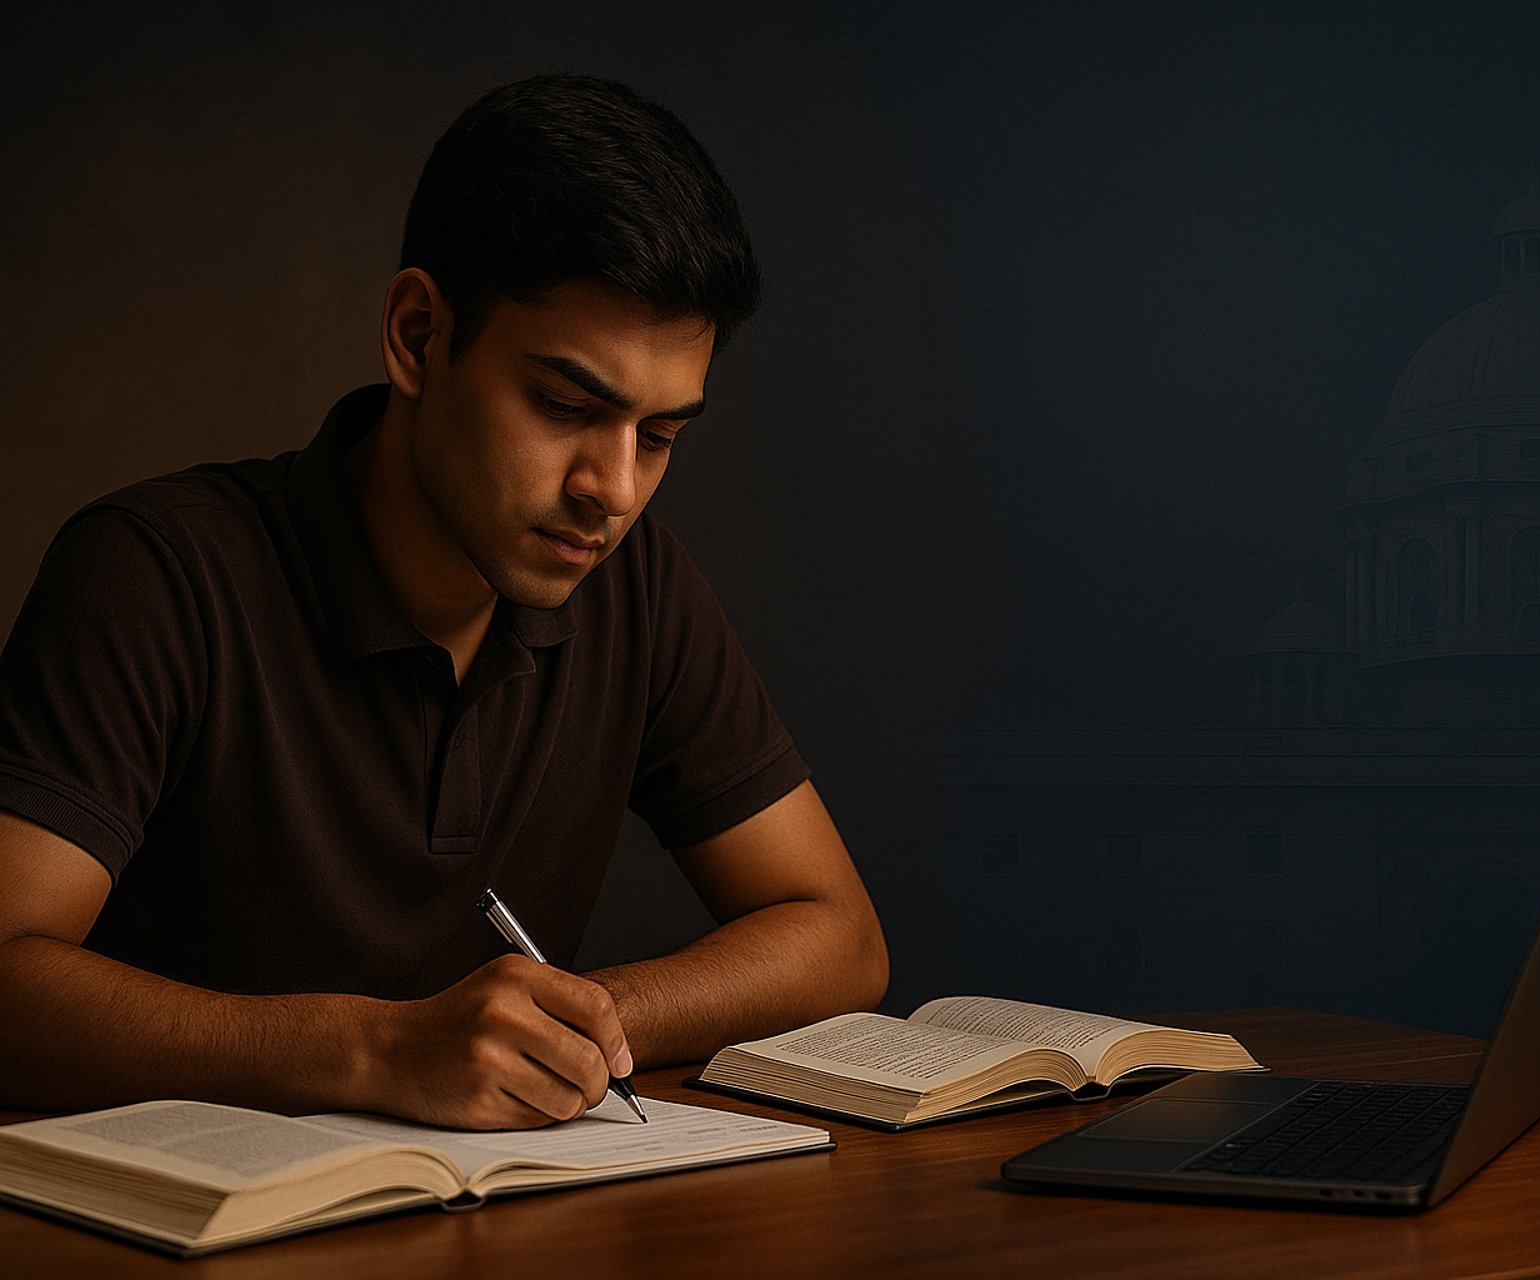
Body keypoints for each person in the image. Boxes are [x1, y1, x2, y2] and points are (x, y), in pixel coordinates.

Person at [0, 74, 888, 1130]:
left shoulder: (636, 587)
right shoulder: (154, 575)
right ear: (418, 335)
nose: (612, 488)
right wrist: (379, 1046)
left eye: (659, 437)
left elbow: (840, 934)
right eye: (566, 405)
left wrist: (581, 1023)